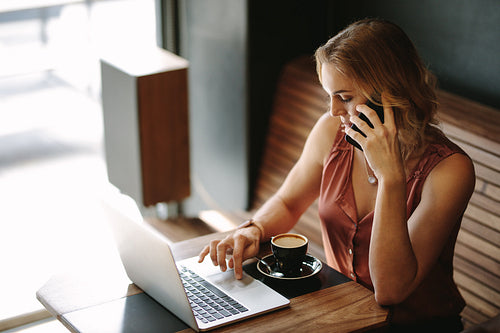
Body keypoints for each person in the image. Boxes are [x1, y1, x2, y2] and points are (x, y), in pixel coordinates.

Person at [198, 18, 475, 332]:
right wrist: (254, 229)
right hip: (342, 315)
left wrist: (391, 179)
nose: (333, 111)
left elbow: (390, 289)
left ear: (390, 94)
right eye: (329, 96)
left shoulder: (450, 170)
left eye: (345, 98)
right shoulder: (332, 132)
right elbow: (289, 202)